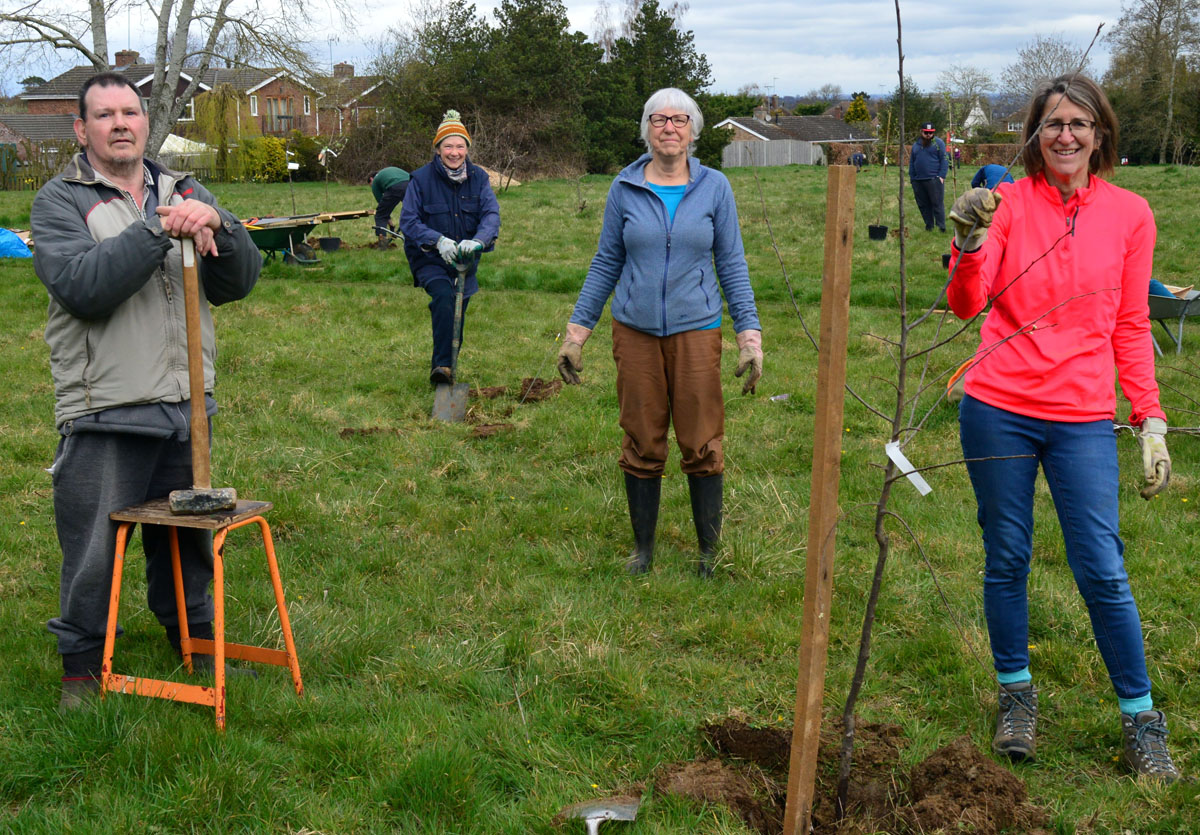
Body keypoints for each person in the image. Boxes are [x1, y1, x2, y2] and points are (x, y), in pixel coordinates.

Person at [946, 73, 1179, 782]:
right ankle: (1016, 695)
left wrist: (1150, 415)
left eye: (1080, 122)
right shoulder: (1007, 203)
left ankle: (1141, 717)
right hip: (998, 405)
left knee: (1101, 568)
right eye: (1053, 123)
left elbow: (1132, 323)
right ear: (1034, 136)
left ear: (1102, 132)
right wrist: (970, 242)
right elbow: (965, 306)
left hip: (1080, 414)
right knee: (1007, 557)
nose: (1067, 135)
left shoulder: (1131, 214)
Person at [30, 72, 261, 709]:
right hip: (105, 407)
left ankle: (193, 642)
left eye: (130, 111)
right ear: (82, 130)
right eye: (105, 115)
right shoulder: (61, 201)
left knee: (188, 537)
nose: (121, 123)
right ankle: (82, 665)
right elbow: (82, 286)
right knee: (93, 546)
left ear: (145, 121)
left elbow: (238, 283)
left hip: (187, 405)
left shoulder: (182, 188)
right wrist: (161, 230)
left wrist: (219, 222)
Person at [555, 87, 763, 578]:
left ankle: (709, 554)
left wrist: (749, 337)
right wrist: (576, 334)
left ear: (694, 130)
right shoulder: (623, 189)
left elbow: (731, 263)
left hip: (697, 331)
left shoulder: (715, 189)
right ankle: (642, 550)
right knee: (642, 439)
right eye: (659, 119)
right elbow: (607, 261)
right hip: (636, 334)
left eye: (680, 119)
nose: (669, 127)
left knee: (701, 440)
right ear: (646, 128)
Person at [400, 110, 500, 384]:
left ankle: (446, 363)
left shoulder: (479, 178)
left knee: (458, 310)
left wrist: (479, 241)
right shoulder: (420, 180)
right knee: (445, 297)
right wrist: (437, 240)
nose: (454, 152)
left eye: (460, 146)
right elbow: (408, 221)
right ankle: (443, 369)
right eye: (448, 146)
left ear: (467, 149)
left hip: (465, 260)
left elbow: (491, 215)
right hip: (429, 258)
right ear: (438, 148)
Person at [909, 121, 948, 232]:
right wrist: (912, 178)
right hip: (918, 180)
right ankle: (929, 226)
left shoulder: (939, 143)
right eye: (926, 132)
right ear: (921, 132)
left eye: (930, 133)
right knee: (923, 205)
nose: (928, 135)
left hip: (934, 179)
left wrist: (941, 176)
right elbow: (912, 162)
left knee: (937, 204)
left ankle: (941, 227)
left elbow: (944, 160)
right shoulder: (916, 145)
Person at [370, 166, 410, 248]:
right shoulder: (388, 171)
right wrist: (392, 227)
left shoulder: (375, 182)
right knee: (413, 212)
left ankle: (383, 245)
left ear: (371, 179)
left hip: (394, 187)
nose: (371, 187)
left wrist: (390, 224)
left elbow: (383, 209)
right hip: (411, 184)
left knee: (380, 215)